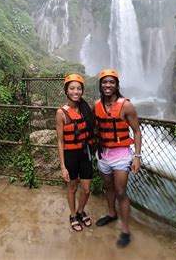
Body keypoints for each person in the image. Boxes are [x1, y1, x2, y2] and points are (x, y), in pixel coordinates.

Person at [93, 69, 142, 248]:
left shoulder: (126, 106)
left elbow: (137, 131)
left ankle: (125, 230)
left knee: (120, 191)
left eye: (111, 82)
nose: (108, 85)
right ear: (100, 85)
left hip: (121, 154)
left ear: (116, 85)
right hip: (103, 154)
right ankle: (112, 214)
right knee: (108, 187)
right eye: (104, 82)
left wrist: (137, 156)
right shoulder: (96, 104)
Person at [56, 73, 95, 232]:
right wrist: (63, 166)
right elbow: (60, 141)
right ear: (66, 91)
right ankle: (72, 214)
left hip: (84, 154)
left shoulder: (85, 109)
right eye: (72, 88)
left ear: (82, 91)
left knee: (86, 189)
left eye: (79, 88)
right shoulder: (61, 113)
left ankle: (80, 211)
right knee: (72, 188)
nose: (76, 91)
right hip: (70, 156)